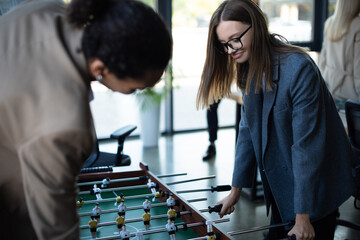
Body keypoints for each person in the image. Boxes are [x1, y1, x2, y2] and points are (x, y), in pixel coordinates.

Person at [0, 0, 172, 239]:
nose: (134, 92)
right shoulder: (65, 125)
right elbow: (57, 228)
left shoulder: (49, 9)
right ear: (101, 68)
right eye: (134, 88)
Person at [196, 0, 355, 239]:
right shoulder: (248, 66)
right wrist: (235, 191)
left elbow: (306, 149)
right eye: (224, 45)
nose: (231, 50)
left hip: (316, 191)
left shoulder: (299, 70)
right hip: (283, 188)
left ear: (256, 28)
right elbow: (248, 130)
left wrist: (303, 218)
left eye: (235, 39)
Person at [319, 0, 360, 104]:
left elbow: (323, 60)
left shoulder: (329, 23)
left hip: (329, 86)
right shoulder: (357, 25)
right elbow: (358, 68)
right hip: (350, 92)